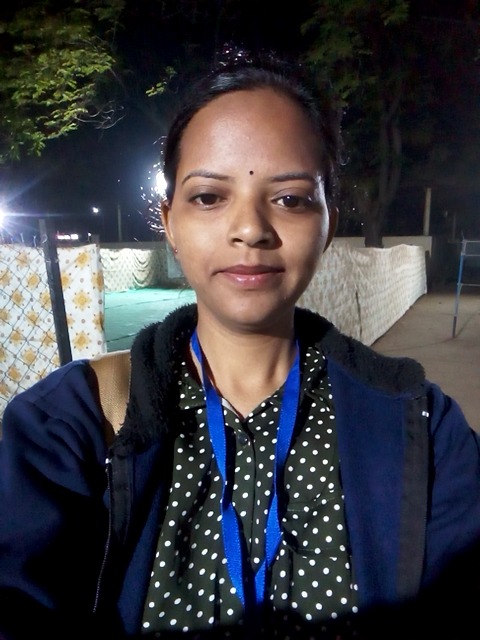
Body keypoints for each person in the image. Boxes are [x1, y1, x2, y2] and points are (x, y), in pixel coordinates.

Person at [1, 49, 480, 640]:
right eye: (208, 196)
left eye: (291, 198)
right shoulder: (71, 423)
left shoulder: (424, 429)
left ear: (328, 223)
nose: (250, 229)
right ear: (170, 222)